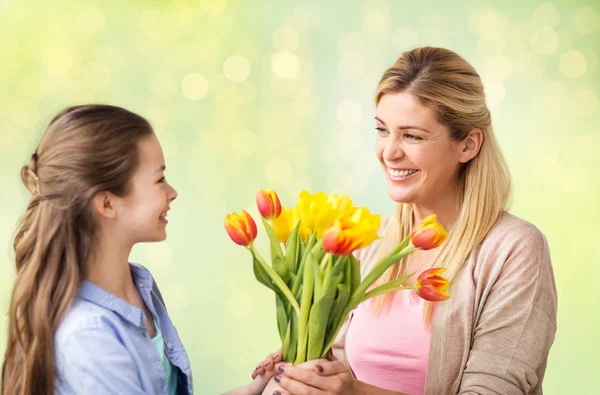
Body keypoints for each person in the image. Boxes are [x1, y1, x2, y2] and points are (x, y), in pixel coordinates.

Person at [260, 47, 558, 394]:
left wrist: (355, 393)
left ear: (468, 145)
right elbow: (346, 365)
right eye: (382, 130)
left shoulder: (512, 249)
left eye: (412, 135)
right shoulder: (369, 244)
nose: (389, 152)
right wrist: (308, 367)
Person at [1, 105, 274, 395]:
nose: (172, 192)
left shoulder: (140, 286)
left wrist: (254, 390)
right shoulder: (89, 337)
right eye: (159, 179)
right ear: (107, 203)